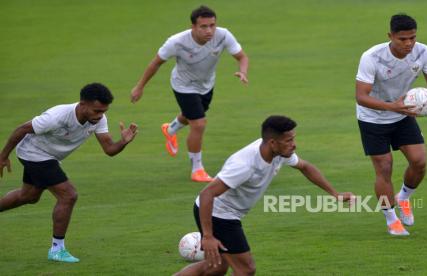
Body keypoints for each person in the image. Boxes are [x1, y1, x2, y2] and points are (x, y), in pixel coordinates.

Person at [175, 115, 354, 276]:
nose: (294, 144)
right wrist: (207, 236)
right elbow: (207, 194)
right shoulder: (245, 165)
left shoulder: (280, 152)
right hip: (219, 214)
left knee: (216, 267)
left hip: (226, 213)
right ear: (272, 143)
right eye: (288, 140)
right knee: (245, 269)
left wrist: (335, 194)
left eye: (293, 139)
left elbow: (305, 167)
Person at [0, 83, 138, 263]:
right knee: (68, 195)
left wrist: (123, 142)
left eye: (103, 111)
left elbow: (109, 149)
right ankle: (57, 249)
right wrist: (3, 156)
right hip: (34, 153)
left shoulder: (98, 119)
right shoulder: (57, 116)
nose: (100, 115)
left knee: (29, 196)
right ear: (82, 104)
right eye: (96, 111)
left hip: (49, 157)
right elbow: (22, 129)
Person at [130, 5, 249, 183]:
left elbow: (242, 57)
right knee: (199, 123)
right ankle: (197, 169)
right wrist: (139, 87)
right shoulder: (177, 42)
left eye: (212, 25)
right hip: (183, 85)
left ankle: (170, 130)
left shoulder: (223, 35)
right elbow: (155, 63)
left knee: (193, 115)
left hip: (206, 85)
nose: (209, 30)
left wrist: (243, 72)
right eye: (203, 26)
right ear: (193, 26)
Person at [355, 14, 427, 236]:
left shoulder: (423, 51)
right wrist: (391, 107)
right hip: (373, 118)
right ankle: (391, 220)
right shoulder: (372, 57)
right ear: (391, 36)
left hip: (403, 113)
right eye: (402, 39)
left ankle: (403, 198)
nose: (408, 44)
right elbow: (361, 96)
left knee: (419, 162)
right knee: (384, 168)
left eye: (412, 38)